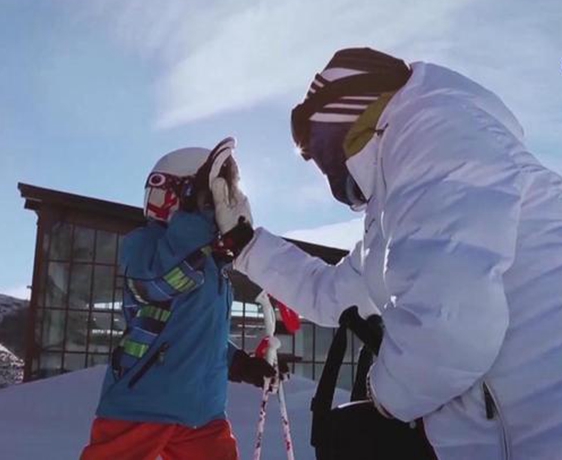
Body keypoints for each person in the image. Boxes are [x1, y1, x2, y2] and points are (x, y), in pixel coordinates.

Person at [215, 47, 562, 459]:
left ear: (341, 119)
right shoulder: (399, 198)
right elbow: (332, 294)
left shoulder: (437, 136)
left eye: (316, 150)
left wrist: (383, 396)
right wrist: (245, 242)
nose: (321, 168)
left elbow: (450, 332)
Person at [79, 139, 286, 460]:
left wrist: (242, 365)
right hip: (143, 402)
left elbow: (198, 333)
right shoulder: (145, 244)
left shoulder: (213, 266)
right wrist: (194, 219)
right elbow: (157, 284)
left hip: (202, 412)